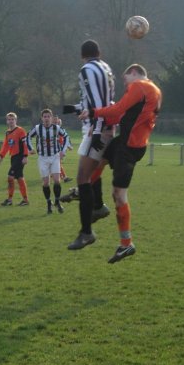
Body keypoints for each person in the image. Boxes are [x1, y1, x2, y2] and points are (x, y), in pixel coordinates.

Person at [82, 63, 162, 263]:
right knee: (96, 162)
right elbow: (122, 114)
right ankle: (96, 204)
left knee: (119, 195)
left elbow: (118, 108)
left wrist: (94, 112)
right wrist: (98, 118)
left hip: (129, 147)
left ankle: (126, 244)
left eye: (125, 77)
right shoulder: (153, 89)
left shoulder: (140, 86)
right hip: (127, 142)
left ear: (133, 73)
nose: (124, 82)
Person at [63, 39, 115, 250]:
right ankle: (98, 206)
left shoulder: (86, 69)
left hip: (97, 127)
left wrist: (95, 130)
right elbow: (102, 101)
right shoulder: (105, 67)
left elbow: (96, 104)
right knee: (93, 172)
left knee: (83, 177)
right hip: (108, 125)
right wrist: (75, 108)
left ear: (82, 55)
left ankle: (86, 232)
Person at [26, 108, 70, 214]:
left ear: (51, 118)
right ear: (42, 118)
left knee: (57, 180)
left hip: (55, 157)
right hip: (43, 158)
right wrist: (30, 148)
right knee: (46, 183)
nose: (46, 118)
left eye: (48, 116)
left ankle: (57, 202)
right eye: (44, 117)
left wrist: (63, 151)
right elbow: (27, 137)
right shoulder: (37, 128)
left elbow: (66, 136)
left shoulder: (56, 128)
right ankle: (49, 203)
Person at [0, 112, 29, 206]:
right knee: (19, 178)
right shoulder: (7, 132)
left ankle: (10, 200)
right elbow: (6, 145)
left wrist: (25, 156)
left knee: (10, 177)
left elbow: (25, 144)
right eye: (9, 119)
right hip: (13, 157)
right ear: (7, 121)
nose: (11, 121)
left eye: (12, 119)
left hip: (20, 156)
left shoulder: (20, 130)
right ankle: (25, 200)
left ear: (16, 120)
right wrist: (1, 156)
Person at [52, 115, 73, 182]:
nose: (55, 121)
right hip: (52, 149)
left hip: (59, 149)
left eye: (56, 119)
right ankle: (63, 177)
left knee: (57, 163)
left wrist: (68, 146)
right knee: (57, 163)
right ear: (52, 120)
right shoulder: (50, 128)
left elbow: (65, 138)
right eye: (54, 119)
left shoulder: (59, 129)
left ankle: (61, 176)